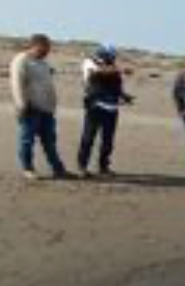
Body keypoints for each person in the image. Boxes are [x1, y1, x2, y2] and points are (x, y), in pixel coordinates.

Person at [10, 33, 71, 180]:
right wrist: (21, 105)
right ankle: (28, 169)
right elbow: (16, 83)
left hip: (46, 109)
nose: (48, 51)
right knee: (27, 141)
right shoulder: (21, 60)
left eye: (49, 48)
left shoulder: (44, 63)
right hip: (30, 108)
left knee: (50, 142)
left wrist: (52, 106)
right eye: (46, 47)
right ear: (36, 45)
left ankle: (58, 169)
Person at [77, 45, 134, 178]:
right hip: (95, 107)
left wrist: (124, 96)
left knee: (108, 141)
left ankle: (104, 167)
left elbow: (117, 87)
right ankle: (82, 167)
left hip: (112, 108)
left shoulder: (113, 68)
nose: (112, 59)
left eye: (113, 57)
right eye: (110, 56)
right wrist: (119, 70)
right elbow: (95, 73)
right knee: (88, 138)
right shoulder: (89, 63)